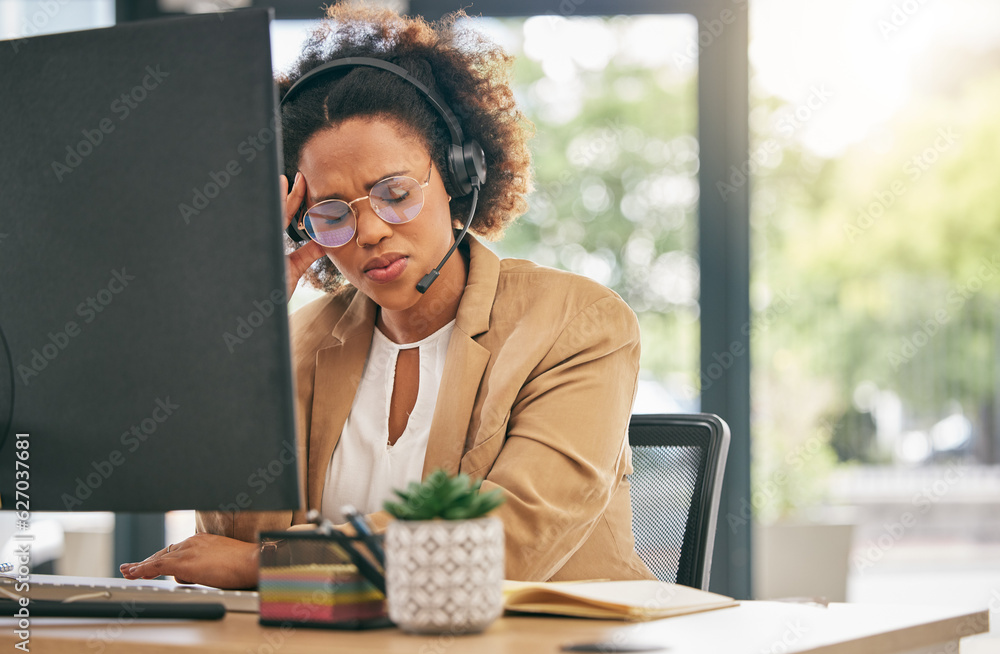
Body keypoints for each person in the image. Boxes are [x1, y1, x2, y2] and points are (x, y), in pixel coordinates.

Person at [121, 4, 654, 589]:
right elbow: (235, 533)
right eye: (329, 213)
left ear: (458, 176)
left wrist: (268, 566)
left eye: (394, 192)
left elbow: (504, 543)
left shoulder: (575, 325)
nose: (370, 230)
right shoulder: (296, 346)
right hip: (335, 646)